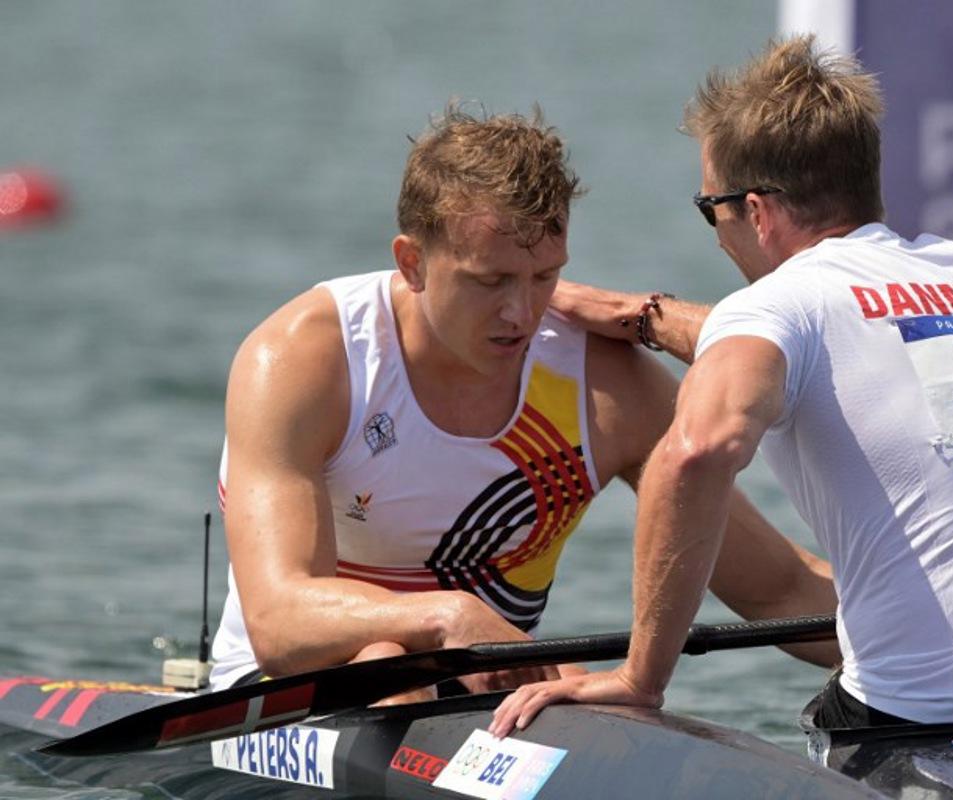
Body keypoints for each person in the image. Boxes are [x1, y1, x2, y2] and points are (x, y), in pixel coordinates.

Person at [490, 36, 953, 736]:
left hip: (931, 723)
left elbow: (697, 451)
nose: (717, 234)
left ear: (757, 212)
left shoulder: (777, 308)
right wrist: (640, 316)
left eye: (713, 211)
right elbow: (836, 347)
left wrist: (639, 680)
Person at [208, 104, 839, 698]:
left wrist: (927, 635)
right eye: (491, 281)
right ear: (413, 263)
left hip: (482, 681)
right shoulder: (304, 359)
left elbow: (779, 589)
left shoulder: (603, 385)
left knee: (582, 689)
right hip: (283, 688)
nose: (521, 313)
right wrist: (451, 616)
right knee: (386, 666)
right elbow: (277, 622)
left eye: (544, 277)